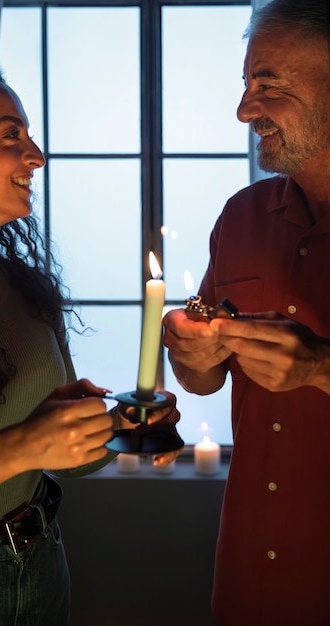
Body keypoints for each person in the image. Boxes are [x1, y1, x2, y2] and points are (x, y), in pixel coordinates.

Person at [0, 39, 180, 626]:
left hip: (40, 564)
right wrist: (22, 444)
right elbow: (22, 450)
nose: (36, 155)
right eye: (11, 136)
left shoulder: (27, 289)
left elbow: (68, 464)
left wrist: (118, 425)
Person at [163, 1, 330, 625]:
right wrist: (192, 356)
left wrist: (320, 367)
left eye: (268, 84)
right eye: (244, 84)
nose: (243, 109)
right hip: (246, 572)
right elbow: (202, 379)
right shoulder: (240, 216)